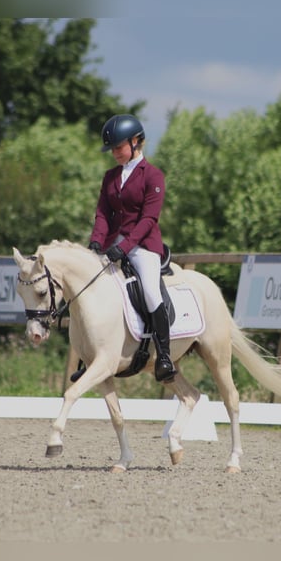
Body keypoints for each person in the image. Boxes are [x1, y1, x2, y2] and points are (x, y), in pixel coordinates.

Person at [88, 113, 177, 383]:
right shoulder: (110, 177)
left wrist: (125, 247)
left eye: (118, 147)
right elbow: (103, 212)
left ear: (136, 141)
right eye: (112, 149)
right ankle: (88, 355)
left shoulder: (153, 176)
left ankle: (164, 356)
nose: (114, 153)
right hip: (113, 242)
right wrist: (96, 240)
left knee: (150, 291)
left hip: (143, 246)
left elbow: (149, 219)